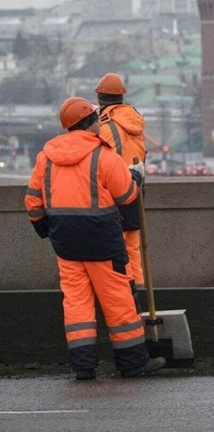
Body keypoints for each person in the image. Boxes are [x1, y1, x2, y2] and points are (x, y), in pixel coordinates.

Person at [24, 97, 165, 380]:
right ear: (90, 124)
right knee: (118, 300)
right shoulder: (104, 155)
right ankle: (132, 362)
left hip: (65, 242)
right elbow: (126, 196)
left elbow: (33, 203)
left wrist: (45, 229)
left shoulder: (46, 157)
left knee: (76, 303)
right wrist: (135, 177)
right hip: (102, 240)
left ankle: (84, 366)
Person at [95, 72, 148, 308]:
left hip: (114, 192)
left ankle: (123, 298)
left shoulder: (106, 126)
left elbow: (100, 162)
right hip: (136, 189)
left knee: (114, 249)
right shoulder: (134, 122)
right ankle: (140, 295)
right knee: (133, 247)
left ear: (100, 98)